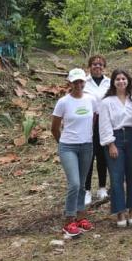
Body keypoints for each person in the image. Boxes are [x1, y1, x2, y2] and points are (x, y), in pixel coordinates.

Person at [52, 68, 98, 238]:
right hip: (68, 146)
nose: (78, 85)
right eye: (75, 82)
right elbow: (54, 127)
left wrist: (86, 135)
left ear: (84, 82)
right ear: (70, 83)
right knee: (74, 183)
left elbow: (93, 119)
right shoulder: (63, 102)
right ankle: (69, 218)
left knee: (83, 184)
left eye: (81, 82)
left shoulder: (91, 100)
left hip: (86, 145)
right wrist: (63, 143)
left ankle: (81, 216)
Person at [98, 69, 132, 227]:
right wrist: (111, 144)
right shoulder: (107, 102)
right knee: (116, 177)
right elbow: (104, 124)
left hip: (131, 137)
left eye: (124, 79)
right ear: (113, 82)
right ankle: (120, 211)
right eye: (118, 79)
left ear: (128, 81)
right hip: (115, 139)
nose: (121, 81)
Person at [82, 55, 109, 205]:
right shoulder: (84, 82)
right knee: (88, 156)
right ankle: (86, 190)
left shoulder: (109, 82)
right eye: (94, 64)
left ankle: (102, 187)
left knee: (102, 155)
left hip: (104, 122)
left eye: (100, 64)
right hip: (87, 123)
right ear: (89, 66)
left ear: (104, 67)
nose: (97, 66)